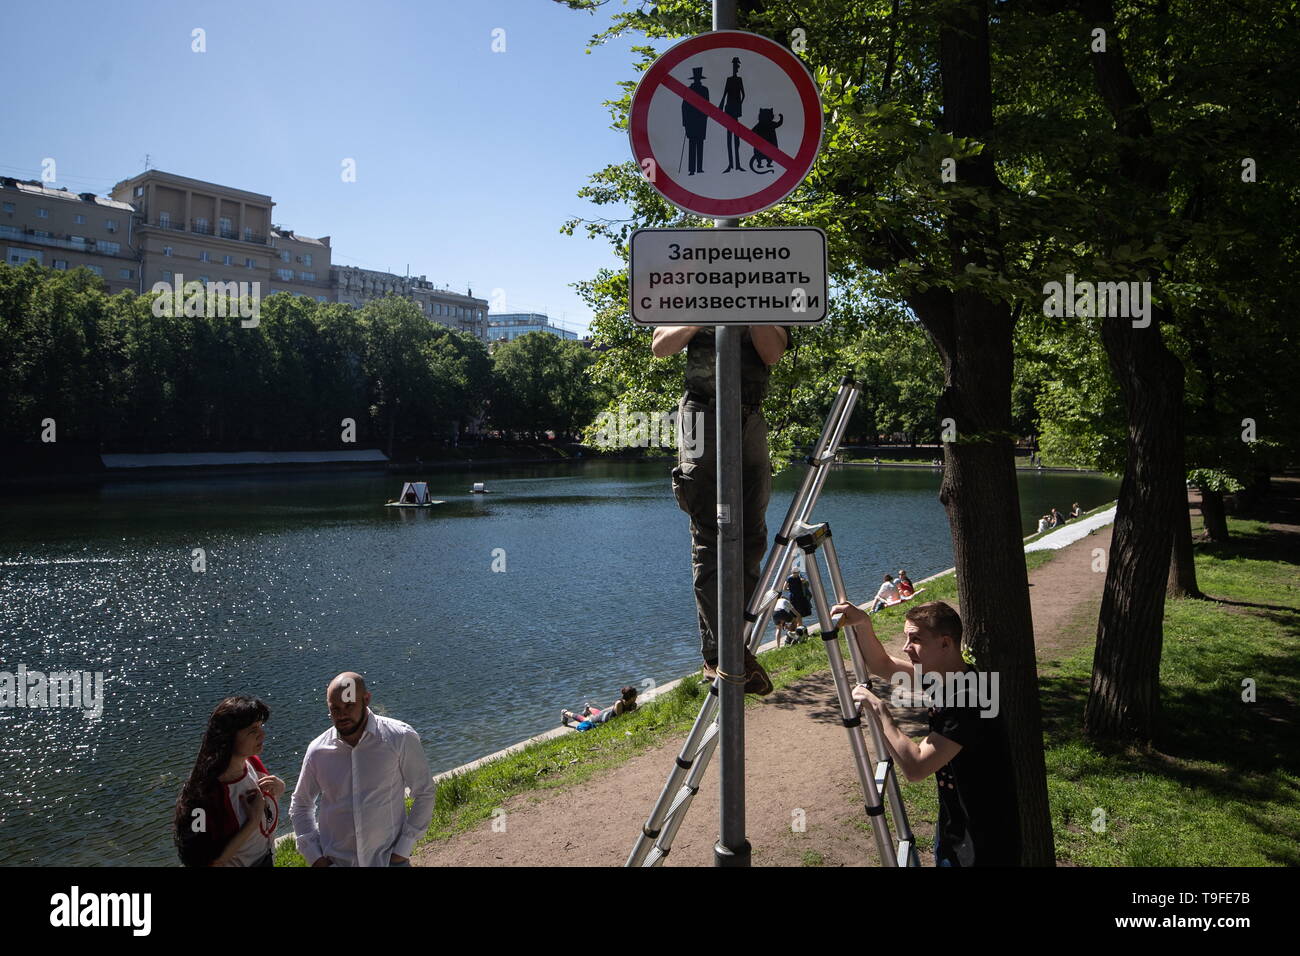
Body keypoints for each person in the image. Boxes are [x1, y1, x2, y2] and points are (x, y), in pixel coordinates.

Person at [830, 599, 1021, 867]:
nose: (906, 648)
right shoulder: (946, 677)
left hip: (982, 843)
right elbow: (882, 665)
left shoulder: (971, 698)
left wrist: (880, 711)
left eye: (915, 639)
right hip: (955, 826)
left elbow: (917, 767)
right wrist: (863, 623)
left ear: (945, 643)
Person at [653, 324, 790, 695]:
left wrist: (748, 304)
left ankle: (737, 645)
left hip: (750, 414)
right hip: (700, 412)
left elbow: (772, 352)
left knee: (752, 536)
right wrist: (707, 312)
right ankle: (718, 656)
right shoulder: (690, 289)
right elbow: (661, 347)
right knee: (709, 535)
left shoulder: (767, 289)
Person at [290, 672, 436, 867]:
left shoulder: (399, 737)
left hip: (388, 861)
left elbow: (424, 792)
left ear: (366, 699)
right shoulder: (317, 751)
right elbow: (301, 804)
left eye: (349, 705)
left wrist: (402, 851)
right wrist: (315, 857)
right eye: (335, 709)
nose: (342, 715)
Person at [173, 695, 285, 867]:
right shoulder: (201, 797)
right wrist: (252, 822)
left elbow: (265, 808)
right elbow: (201, 859)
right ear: (228, 737)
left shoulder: (252, 762)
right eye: (252, 730)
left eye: (260, 726)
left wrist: (279, 788)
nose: (262, 733)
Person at [562, 686, 639, 730]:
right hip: (604, 718)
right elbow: (620, 718)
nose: (637, 697)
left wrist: (634, 709)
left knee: (598, 713)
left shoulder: (632, 703)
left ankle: (588, 709)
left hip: (605, 714)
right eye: (636, 696)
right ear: (632, 697)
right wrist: (632, 712)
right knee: (585, 720)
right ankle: (565, 713)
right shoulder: (619, 703)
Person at [719, 56, 745, 173]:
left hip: (735, 110)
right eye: (734, 65)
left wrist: (739, 104)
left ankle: (738, 164)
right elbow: (724, 93)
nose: (735, 67)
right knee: (729, 137)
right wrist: (721, 105)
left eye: (736, 65)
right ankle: (731, 165)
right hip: (729, 109)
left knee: (736, 137)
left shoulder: (739, 79)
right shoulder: (729, 79)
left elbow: (743, 94)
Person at [681, 66, 709, 175]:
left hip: (700, 121)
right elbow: (684, 106)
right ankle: (692, 169)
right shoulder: (689, 90)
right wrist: (685, 122)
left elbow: (708, 106)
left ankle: (699, 168)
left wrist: (705, 116)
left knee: (699, 144)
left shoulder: (704, 90)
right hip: (692, 122)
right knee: (692, 145)